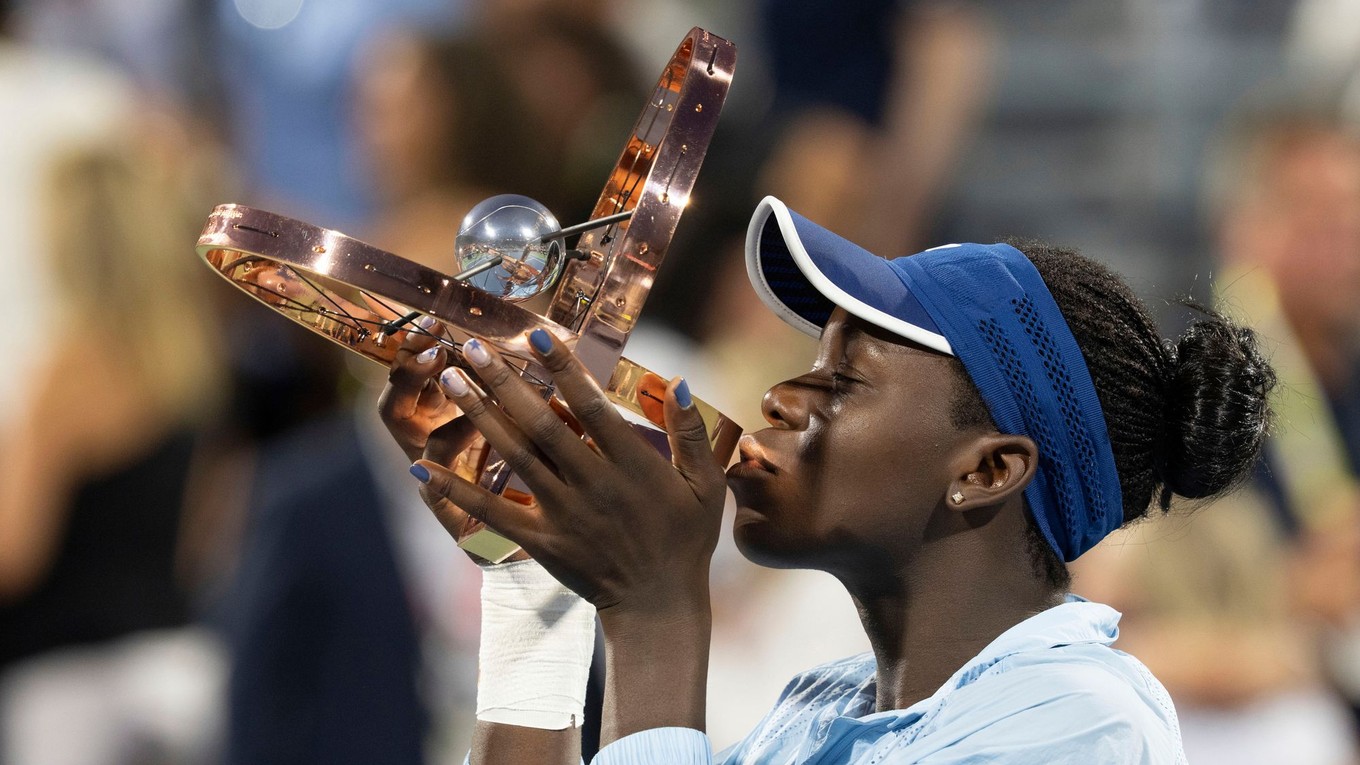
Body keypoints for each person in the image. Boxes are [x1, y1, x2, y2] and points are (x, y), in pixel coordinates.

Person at [378, 195, 1275, 763]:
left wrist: (654, 611)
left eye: (843, 380)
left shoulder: (1081, 727)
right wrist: (534, 576)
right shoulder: (809, 718)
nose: (780, 395)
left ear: (989, 469)